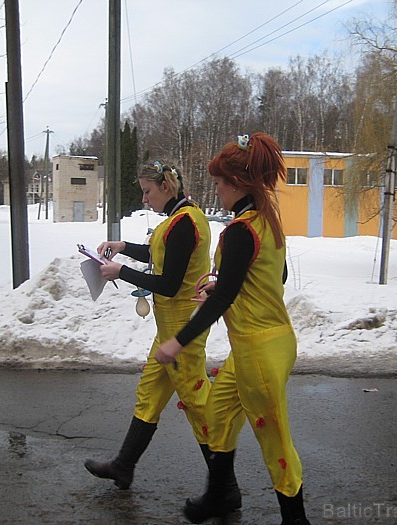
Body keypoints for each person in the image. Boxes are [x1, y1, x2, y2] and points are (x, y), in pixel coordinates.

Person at [156, 134, 310, 525]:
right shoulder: (267, 222)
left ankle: (296, 519)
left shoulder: (242, 231)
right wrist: (225, 282)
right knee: (217, 412)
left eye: (221, 183)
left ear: (238, 184)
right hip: (262, 345)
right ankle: (219, 496)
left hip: (259, 350)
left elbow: (226, 297)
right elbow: (276, 276)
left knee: (274, 438)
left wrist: (178, 341)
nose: (217, 191)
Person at [84, 161, 241, 509]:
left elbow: (169, 285)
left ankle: (225, 489)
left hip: (181, 333)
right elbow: (160, 254)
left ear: (166, 186)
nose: (144, 198)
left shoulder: (184, 224)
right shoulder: (181, 218)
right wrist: (122, 245)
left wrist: (120, 272)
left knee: (199, 407)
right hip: (169, 330)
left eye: (147, 191)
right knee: (150, 394)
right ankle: (124, 466)